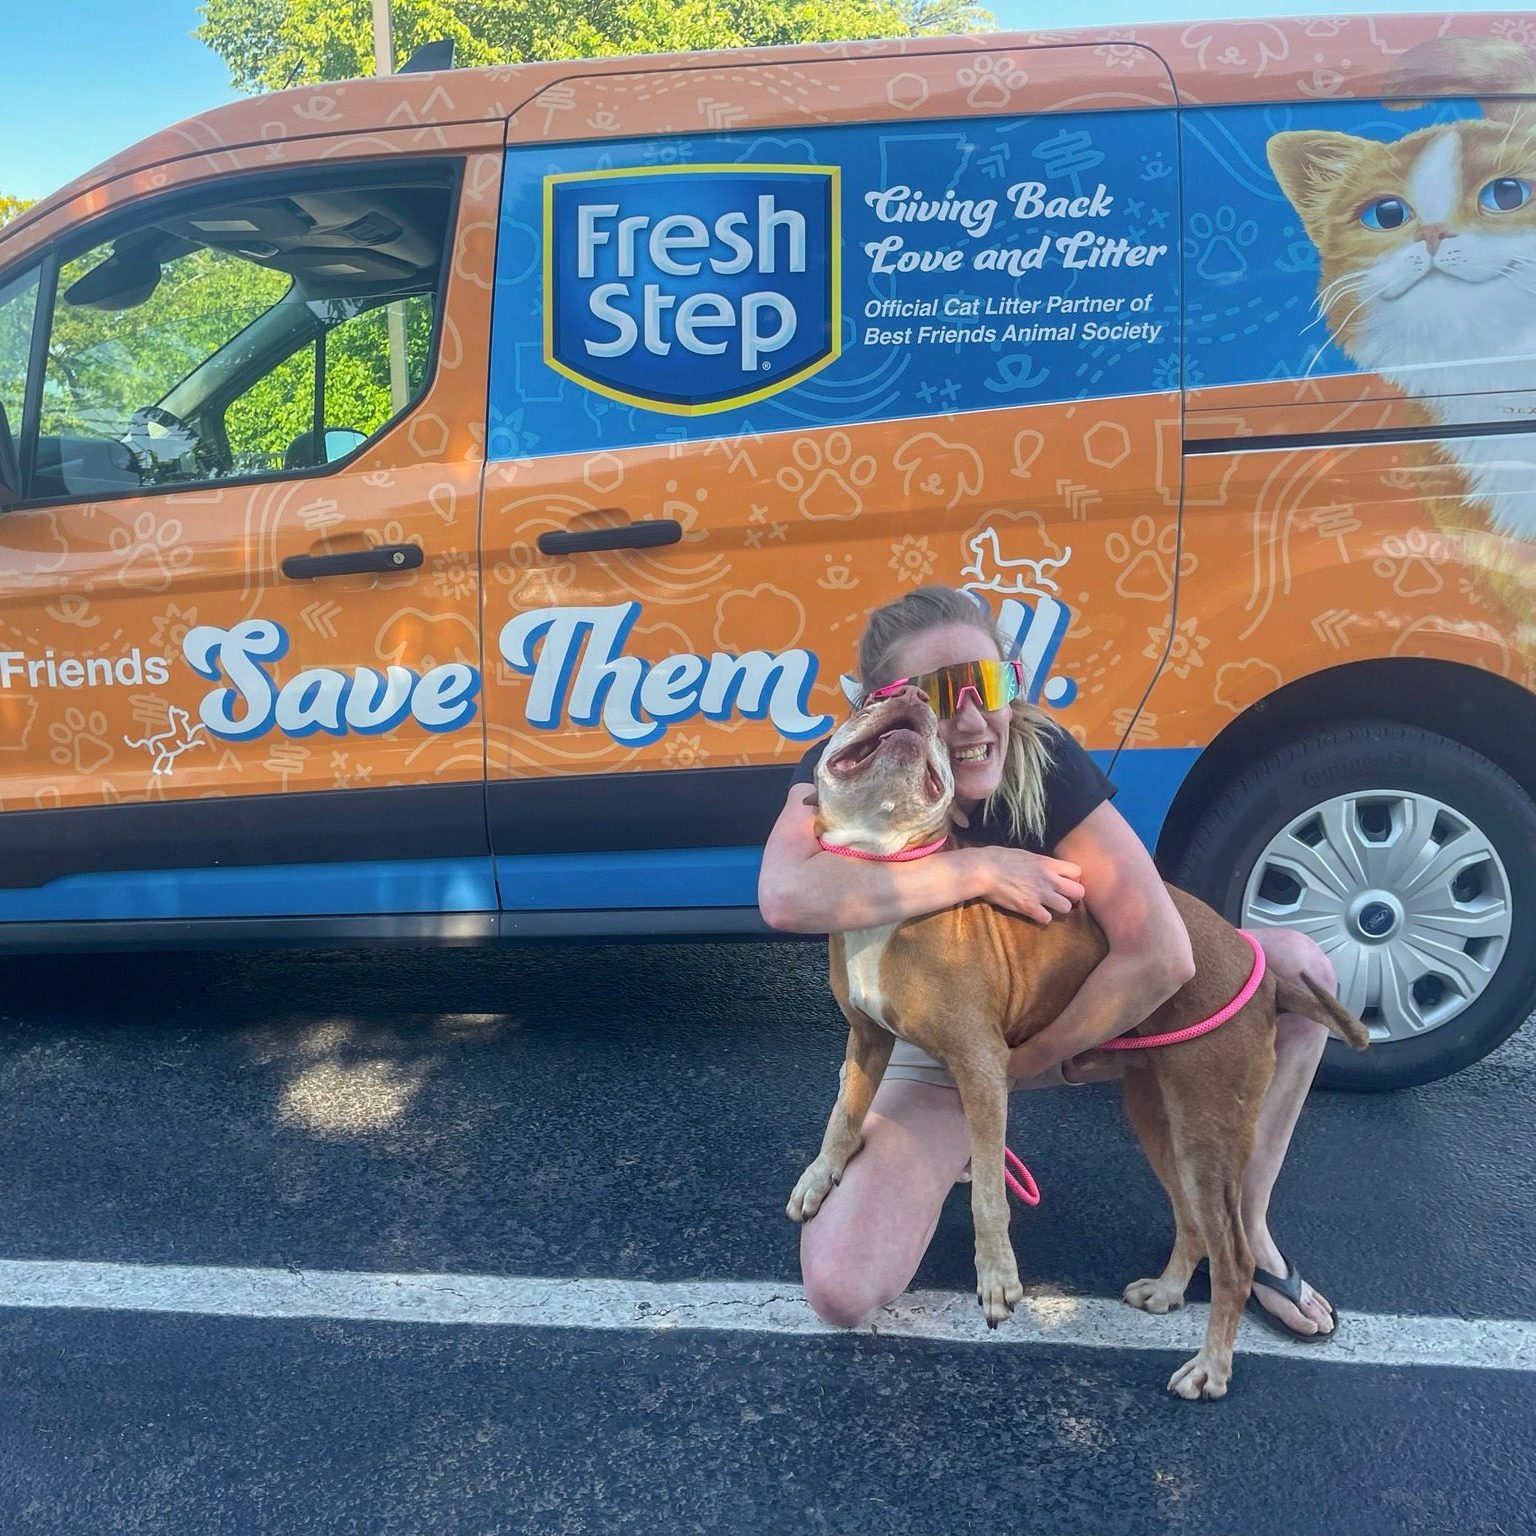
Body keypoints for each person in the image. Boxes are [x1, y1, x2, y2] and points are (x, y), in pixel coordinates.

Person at [758, 584, 1340, 1341]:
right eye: (936, 694)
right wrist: (978, 869)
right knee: (841, 1289)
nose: (969, 718)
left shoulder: (1042, 754)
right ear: (881, 704)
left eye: (988, 684)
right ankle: (962, 1149)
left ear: (1015, 682)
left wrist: (1033, 1058)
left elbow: (1161, 951)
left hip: (1060, 1016)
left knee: (1296, 969)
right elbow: (784, 895)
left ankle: (1247, 1229)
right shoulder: (854, 759)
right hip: (935, 1025)